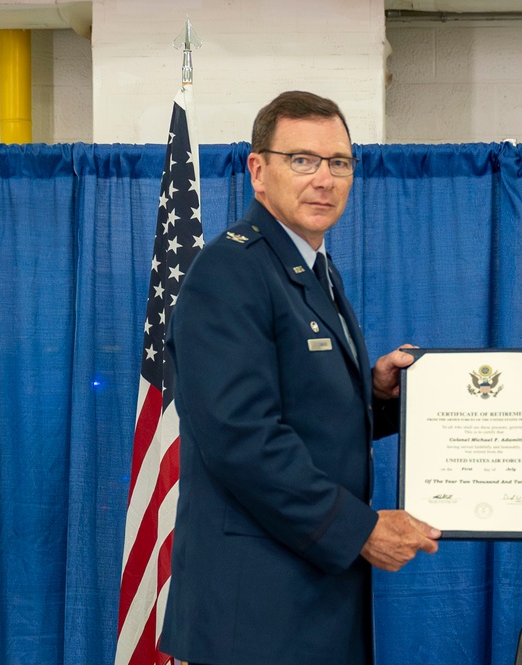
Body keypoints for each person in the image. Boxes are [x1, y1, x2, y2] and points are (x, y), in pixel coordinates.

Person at [159, 90, 440, 665]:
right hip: (254, 619)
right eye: (303, 160)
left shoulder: (313, 269)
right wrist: (359, 529)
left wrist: (374, 394)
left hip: (306, 604)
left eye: (339, 162)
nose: (325, 179)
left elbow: (305, 413)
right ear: (258, 171)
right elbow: (242, 438)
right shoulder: (230, 271)